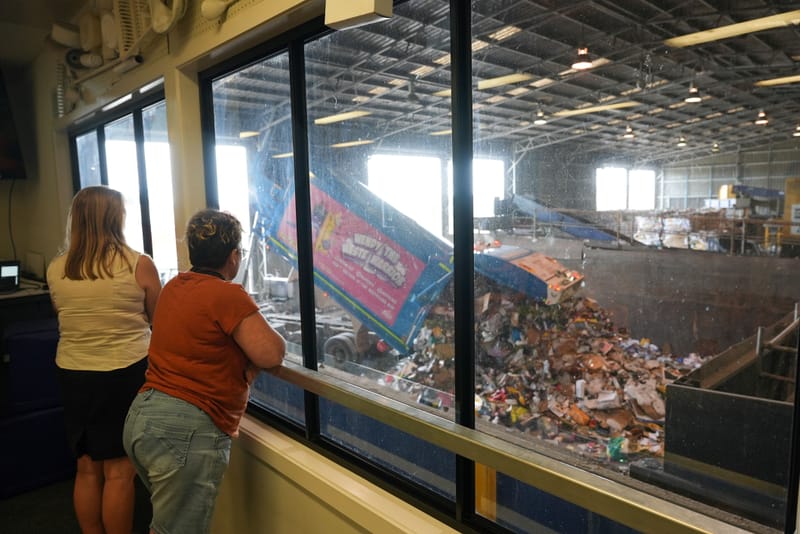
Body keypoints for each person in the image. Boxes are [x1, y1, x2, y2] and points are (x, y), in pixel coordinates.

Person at [123, 208, 285, 534]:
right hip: (185, 431)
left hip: (143, 419)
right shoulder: (226, 295)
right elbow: (272, 353)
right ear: (233, 257)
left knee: (166, 524)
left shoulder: (175, 286)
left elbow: (197, 342)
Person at [47, 186, 162, 534]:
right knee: (119, 472)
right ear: (116, 218)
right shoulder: (138, 264)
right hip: (123, 373)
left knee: (86, 468)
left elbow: (63, 314)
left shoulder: (56, 268)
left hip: (73, 373)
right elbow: (158, 319)